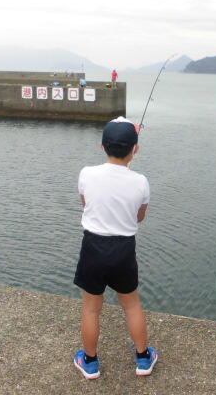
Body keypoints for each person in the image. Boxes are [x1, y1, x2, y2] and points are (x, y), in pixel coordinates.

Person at [73, 116, 157, 380]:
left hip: (93, 246)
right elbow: (139, 217)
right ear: (135, 149)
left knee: (91, 308)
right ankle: (143, 358)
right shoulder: (141, 181)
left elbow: (85, 203)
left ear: (102, 145)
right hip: (123, 248)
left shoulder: (86, 173)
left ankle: (90, 362)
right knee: (131, 305)